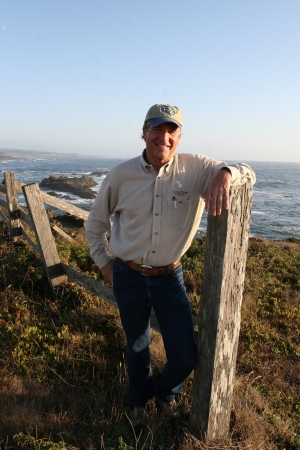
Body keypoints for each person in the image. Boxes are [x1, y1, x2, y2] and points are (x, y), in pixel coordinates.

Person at [85, 104, 256, 433]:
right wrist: (105, 264)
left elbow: (247, 171)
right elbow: (95, 226)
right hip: (128, 275)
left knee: (185, 355)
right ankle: (139, 402)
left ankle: (164, 392)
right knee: (136, 345)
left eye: (172, 130)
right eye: (157, 129)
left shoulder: (196, 169)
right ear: (144, 132)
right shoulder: (120, 175)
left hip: (169, 279)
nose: (164, 136)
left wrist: (225, 175)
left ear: (179, 136)